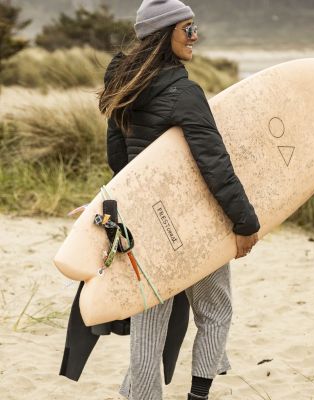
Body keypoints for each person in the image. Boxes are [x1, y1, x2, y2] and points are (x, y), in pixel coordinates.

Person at [97, 1, 260, 399]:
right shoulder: (184, 92)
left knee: (150, 321)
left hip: (145, 227)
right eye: (188, 28)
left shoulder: (125, 87)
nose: (195, 36)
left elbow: (119, 162)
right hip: (195, 224)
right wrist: (245, 222)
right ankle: (198, 396)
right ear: (166, 34)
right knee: (216, 312)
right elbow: (214, 163)